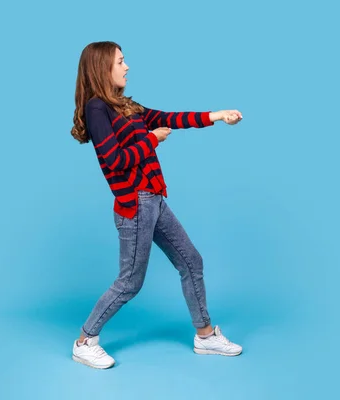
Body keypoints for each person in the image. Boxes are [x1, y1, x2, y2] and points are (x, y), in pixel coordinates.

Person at [69, 41, 243, 369]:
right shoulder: (97, 108)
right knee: (130, 282)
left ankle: (205, 335)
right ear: (102, 67)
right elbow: (114, 160)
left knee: (191, 261)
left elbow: (167, 118)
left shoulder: (123, 106)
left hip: (154, 200)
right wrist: (152, 140)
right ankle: (85, 340)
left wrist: (216, 116)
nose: (127, 66)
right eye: (121, 61)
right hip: (135, 205)